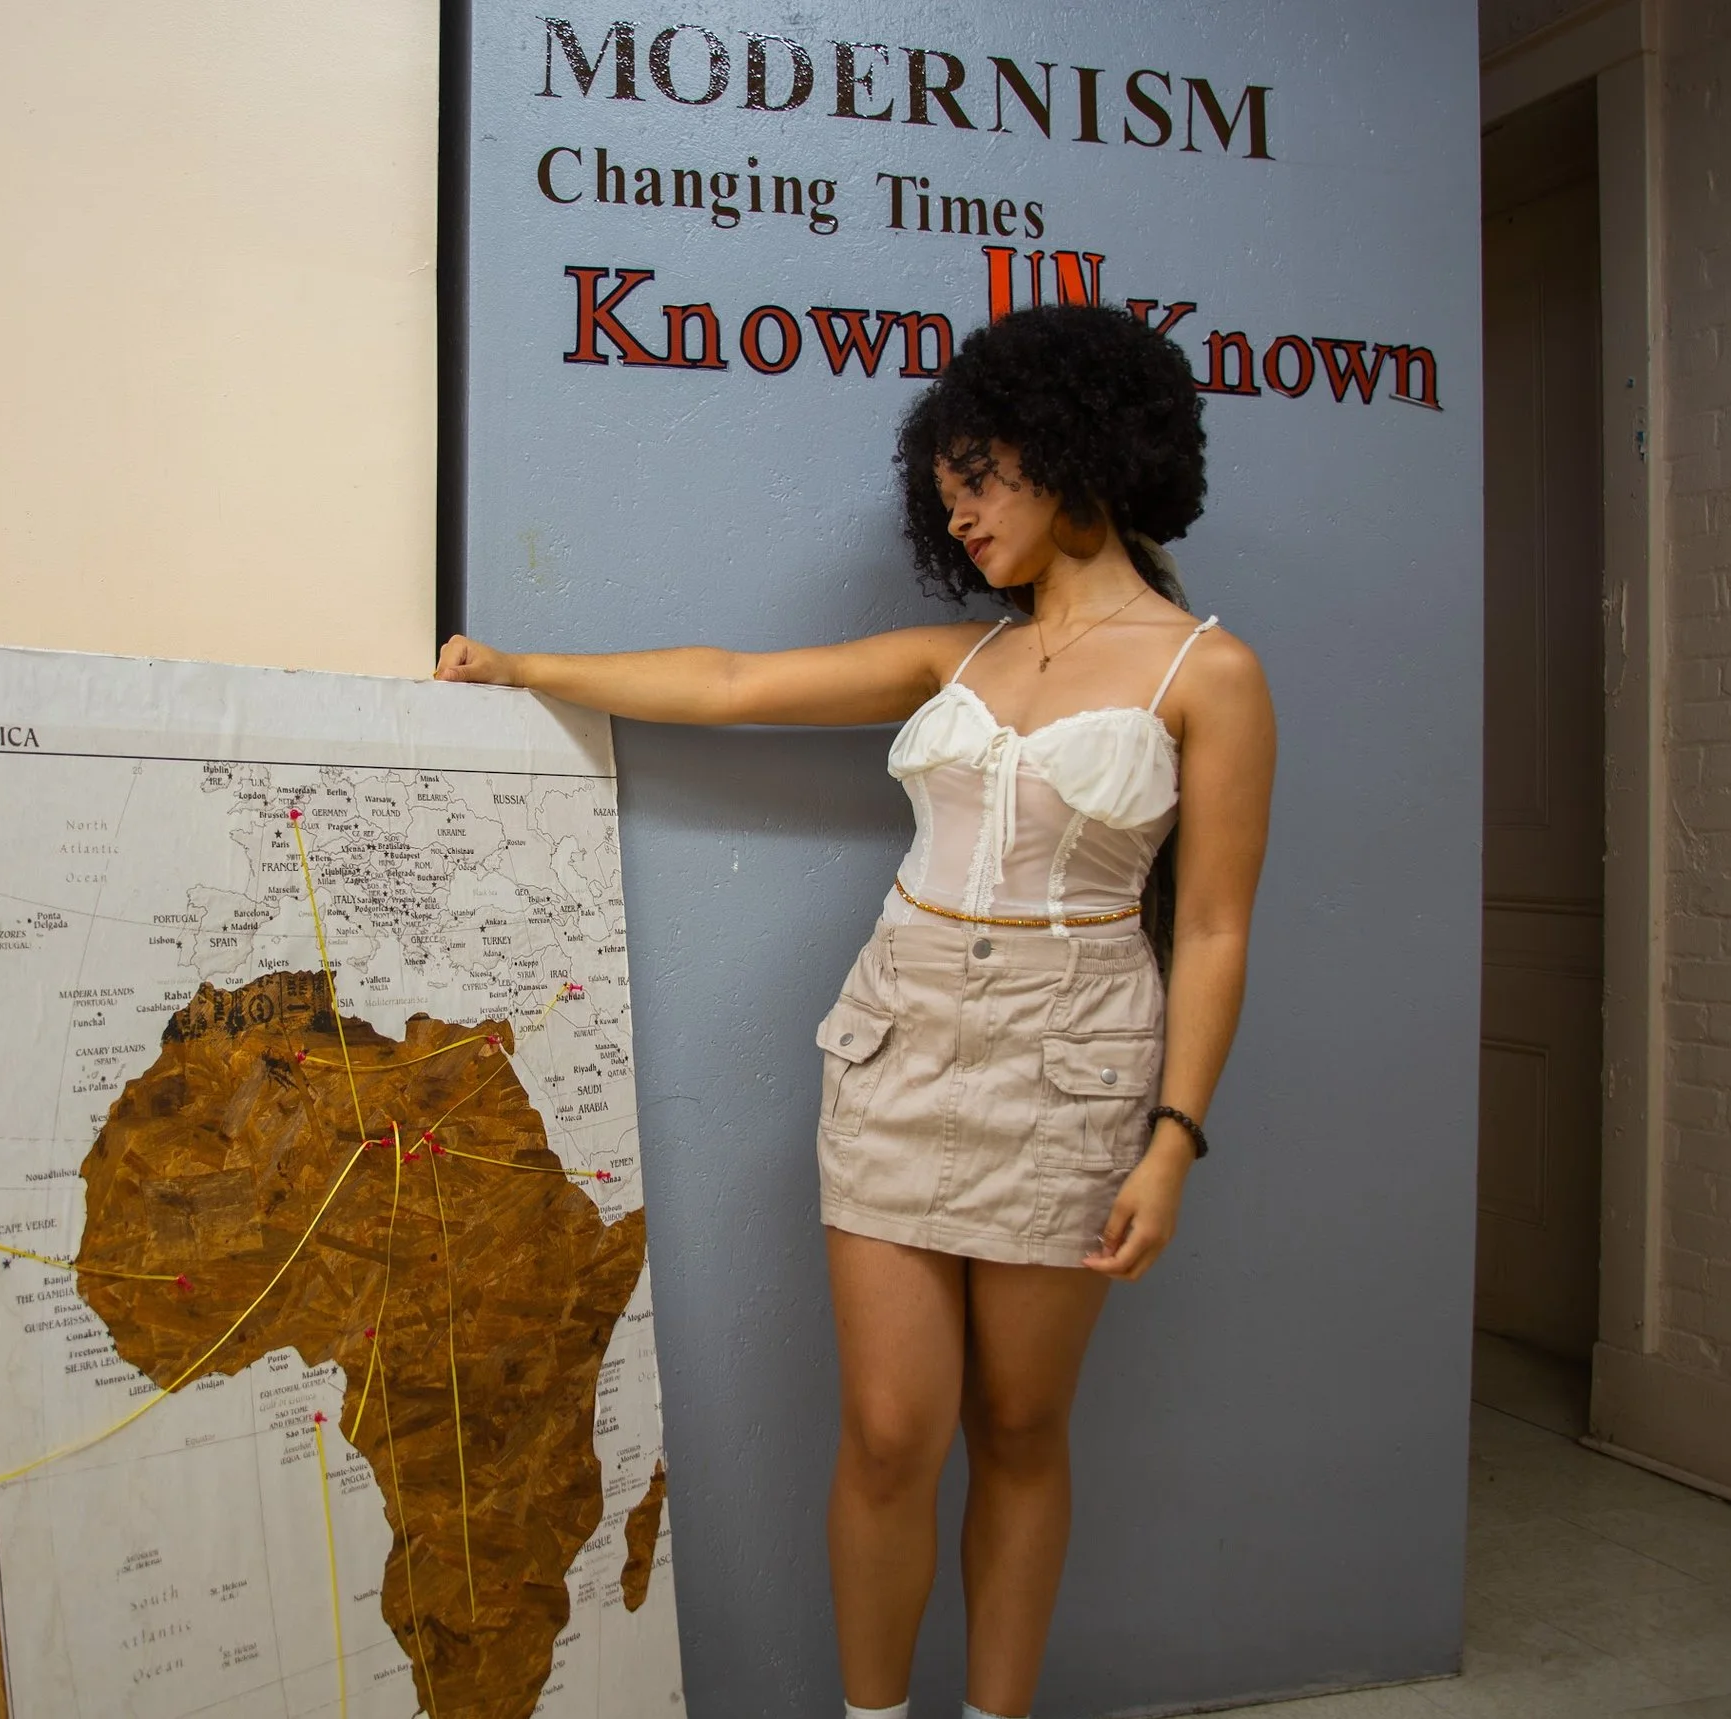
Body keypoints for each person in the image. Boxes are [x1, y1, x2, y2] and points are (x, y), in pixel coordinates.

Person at [435, 303, 1276, 1719]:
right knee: (890, 1433)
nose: (958, 513)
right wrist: (524, 669)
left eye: (981, 473)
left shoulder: (1213, 674)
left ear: (1074, 451)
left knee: (1020, 1426)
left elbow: (1211, 924)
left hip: (1073, 1076)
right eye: (943, 489)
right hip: (894, 1051)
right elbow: (730, 683)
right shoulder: (956, 657)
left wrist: (1175, 1137)